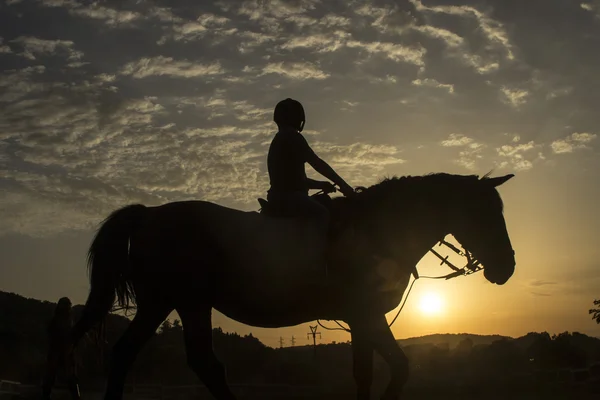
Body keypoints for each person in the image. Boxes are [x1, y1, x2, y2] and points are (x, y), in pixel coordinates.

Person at [266, 97, 355, 276]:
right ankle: (315, 263)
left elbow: (292, 179)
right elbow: (317, 163)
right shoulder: (293, 137)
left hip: (281, 195)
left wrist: (320, 185)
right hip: (289, 197)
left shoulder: (280, 139)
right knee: (322, 213)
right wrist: (343, 185)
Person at [42, 297, 81, 400]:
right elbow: (52, 337)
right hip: (57, 352)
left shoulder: (68, 321)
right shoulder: (56, 322)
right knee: (50, 378)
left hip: (66, 353)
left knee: (70, 379)